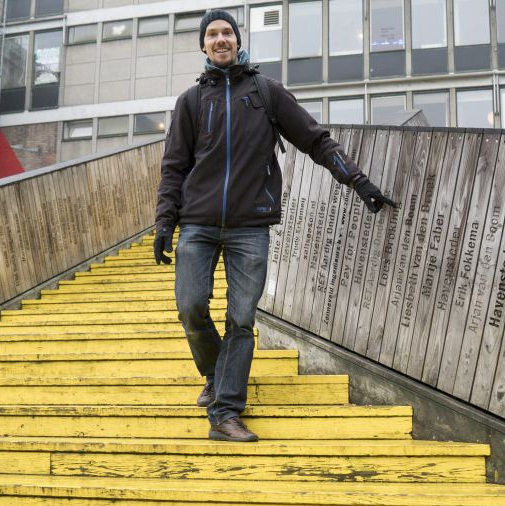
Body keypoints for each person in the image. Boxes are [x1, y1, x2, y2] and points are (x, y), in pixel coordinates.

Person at [154, 9, 397, 442]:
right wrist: (163, 223)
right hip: (197, 225)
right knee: (191, 308)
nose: (220, 39)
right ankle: (216, 375)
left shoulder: (266, 92)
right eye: (212, 34)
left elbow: (315, 139)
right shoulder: (191, 102)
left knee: (241, 319)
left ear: (238, 40)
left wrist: (358, 181)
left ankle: (226, 411)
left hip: (251, 227)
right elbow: (174, 167)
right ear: (203, 46)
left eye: (227, 32)